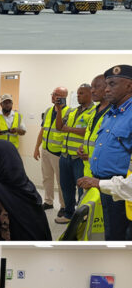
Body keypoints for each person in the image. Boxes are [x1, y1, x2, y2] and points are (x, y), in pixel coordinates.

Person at [76, 65, 132, 241]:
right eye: (106, 84)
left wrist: (101, 182)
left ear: (129, 86)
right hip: (105, 186)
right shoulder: (111, 113)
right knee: (111, 232)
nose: (106, 89)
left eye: (113, 84)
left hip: (122, 188)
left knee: (120, 236)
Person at [54, 84, 96, 224]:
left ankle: (81, 217)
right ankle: (69, 214)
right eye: (77, 93)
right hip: (65, 156)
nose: (78, 96)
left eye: (81, 93)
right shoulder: (71, 111)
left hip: (80, 158)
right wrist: (59, 110)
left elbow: (87, 131)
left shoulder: (95, 111)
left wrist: (69, 129)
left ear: (90, 94)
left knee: (82, 188)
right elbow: (59, 127)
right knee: (66, 187)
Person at [34, 86, 69, 212]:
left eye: (57, 95)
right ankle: (48, 202)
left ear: (64, 97)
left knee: (62, 181)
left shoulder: (69, 112)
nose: (54, 96)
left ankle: (64, 206)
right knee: (47, 178)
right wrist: (36, 148)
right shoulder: (48, 111)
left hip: (59, 152)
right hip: (46, 150)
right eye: (53, 94)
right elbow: (42, 130)